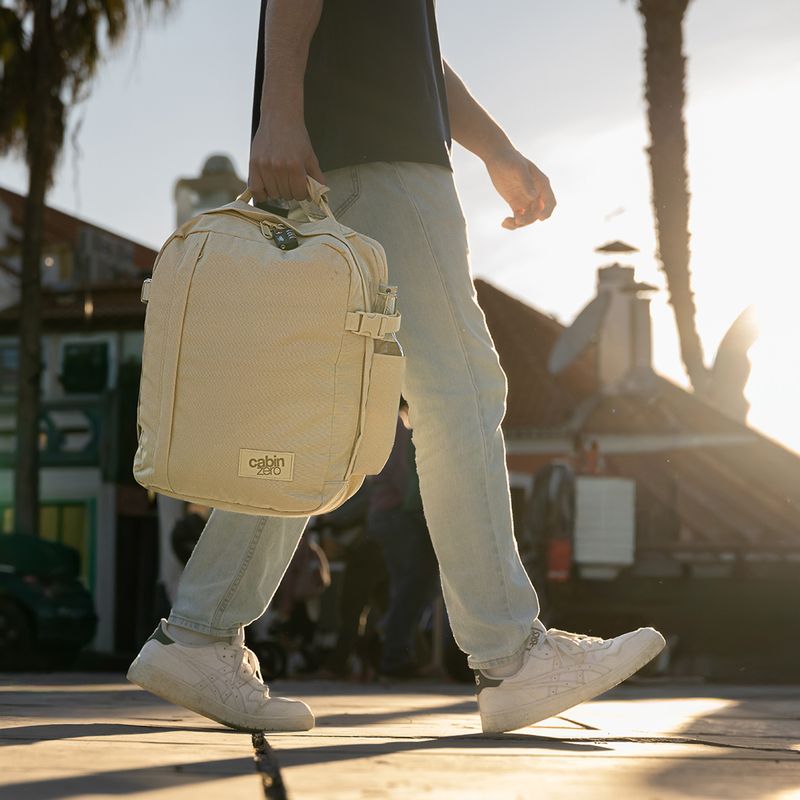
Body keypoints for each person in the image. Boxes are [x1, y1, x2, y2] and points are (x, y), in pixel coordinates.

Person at [127, 0, 665, 734]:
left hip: (348, 143)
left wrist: (495, 147)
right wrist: (279, 112)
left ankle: (198, 634)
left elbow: (409, 46)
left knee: (313, 407)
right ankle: (512, 655)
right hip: (379, 149)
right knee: (459, 391)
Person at [368, 400, 440, 678]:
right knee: (419, 586)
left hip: (383, 514)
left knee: (404, 586)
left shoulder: (384, 420)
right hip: (397, 512)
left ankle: (394, 646)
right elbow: (400, 470)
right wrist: (416, 502)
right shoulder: (396, 423)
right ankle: (393, 647)